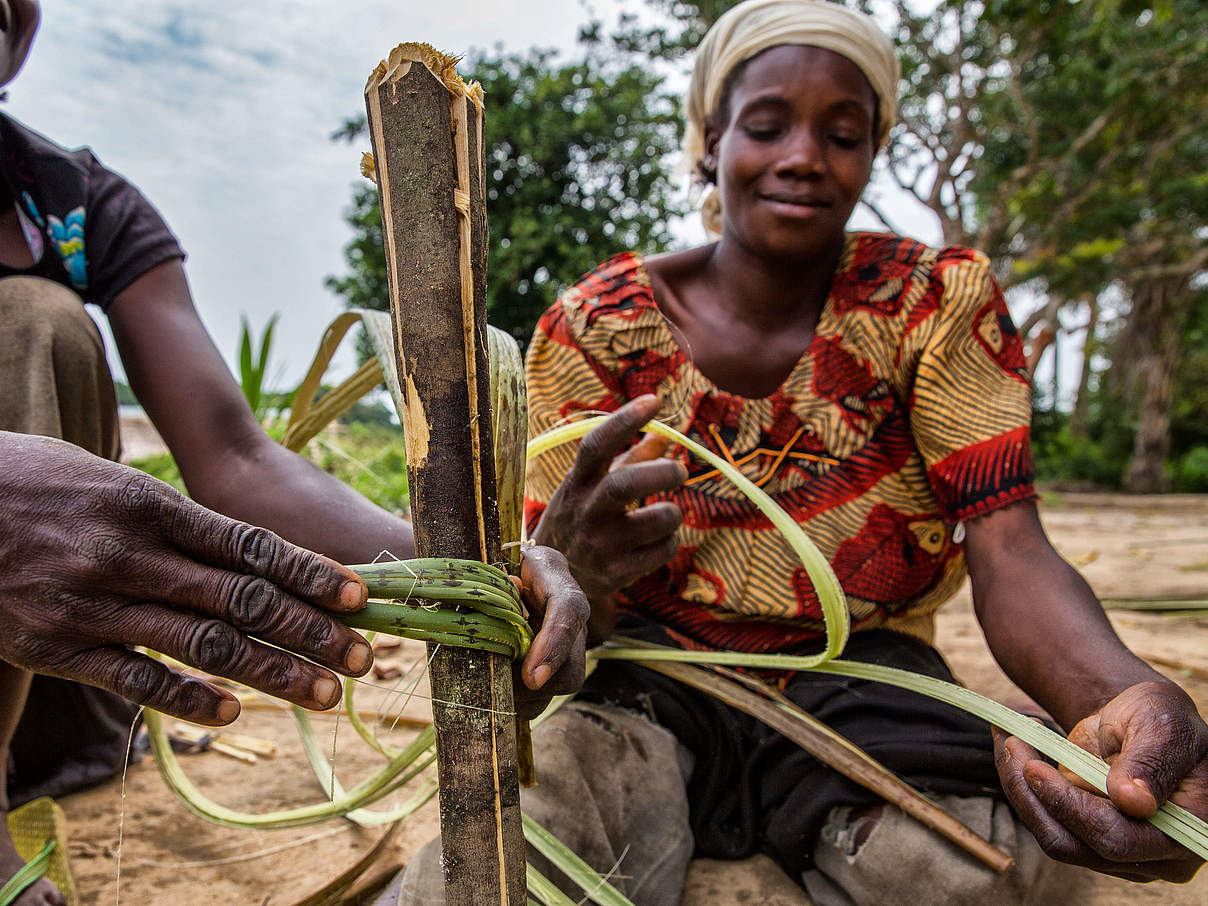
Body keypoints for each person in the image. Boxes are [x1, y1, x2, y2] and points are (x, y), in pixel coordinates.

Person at [388, 1, 1208, 904]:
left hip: (869, 674)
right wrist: (578, 570)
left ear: (871, 152)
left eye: (844, 133)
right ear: (708, 141)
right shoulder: (597, 327)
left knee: (987, 874)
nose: (804, 157)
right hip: (651, 669)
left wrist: (1117, 693)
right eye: (767, 125)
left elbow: (1008, 546)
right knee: (515, 854)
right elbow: (562, 588)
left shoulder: (931, 304)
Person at [0, 3, 590, 905]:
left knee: (42, 327)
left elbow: (234, 458)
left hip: (37, 677)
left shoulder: (69, 204)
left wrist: (469, 578)